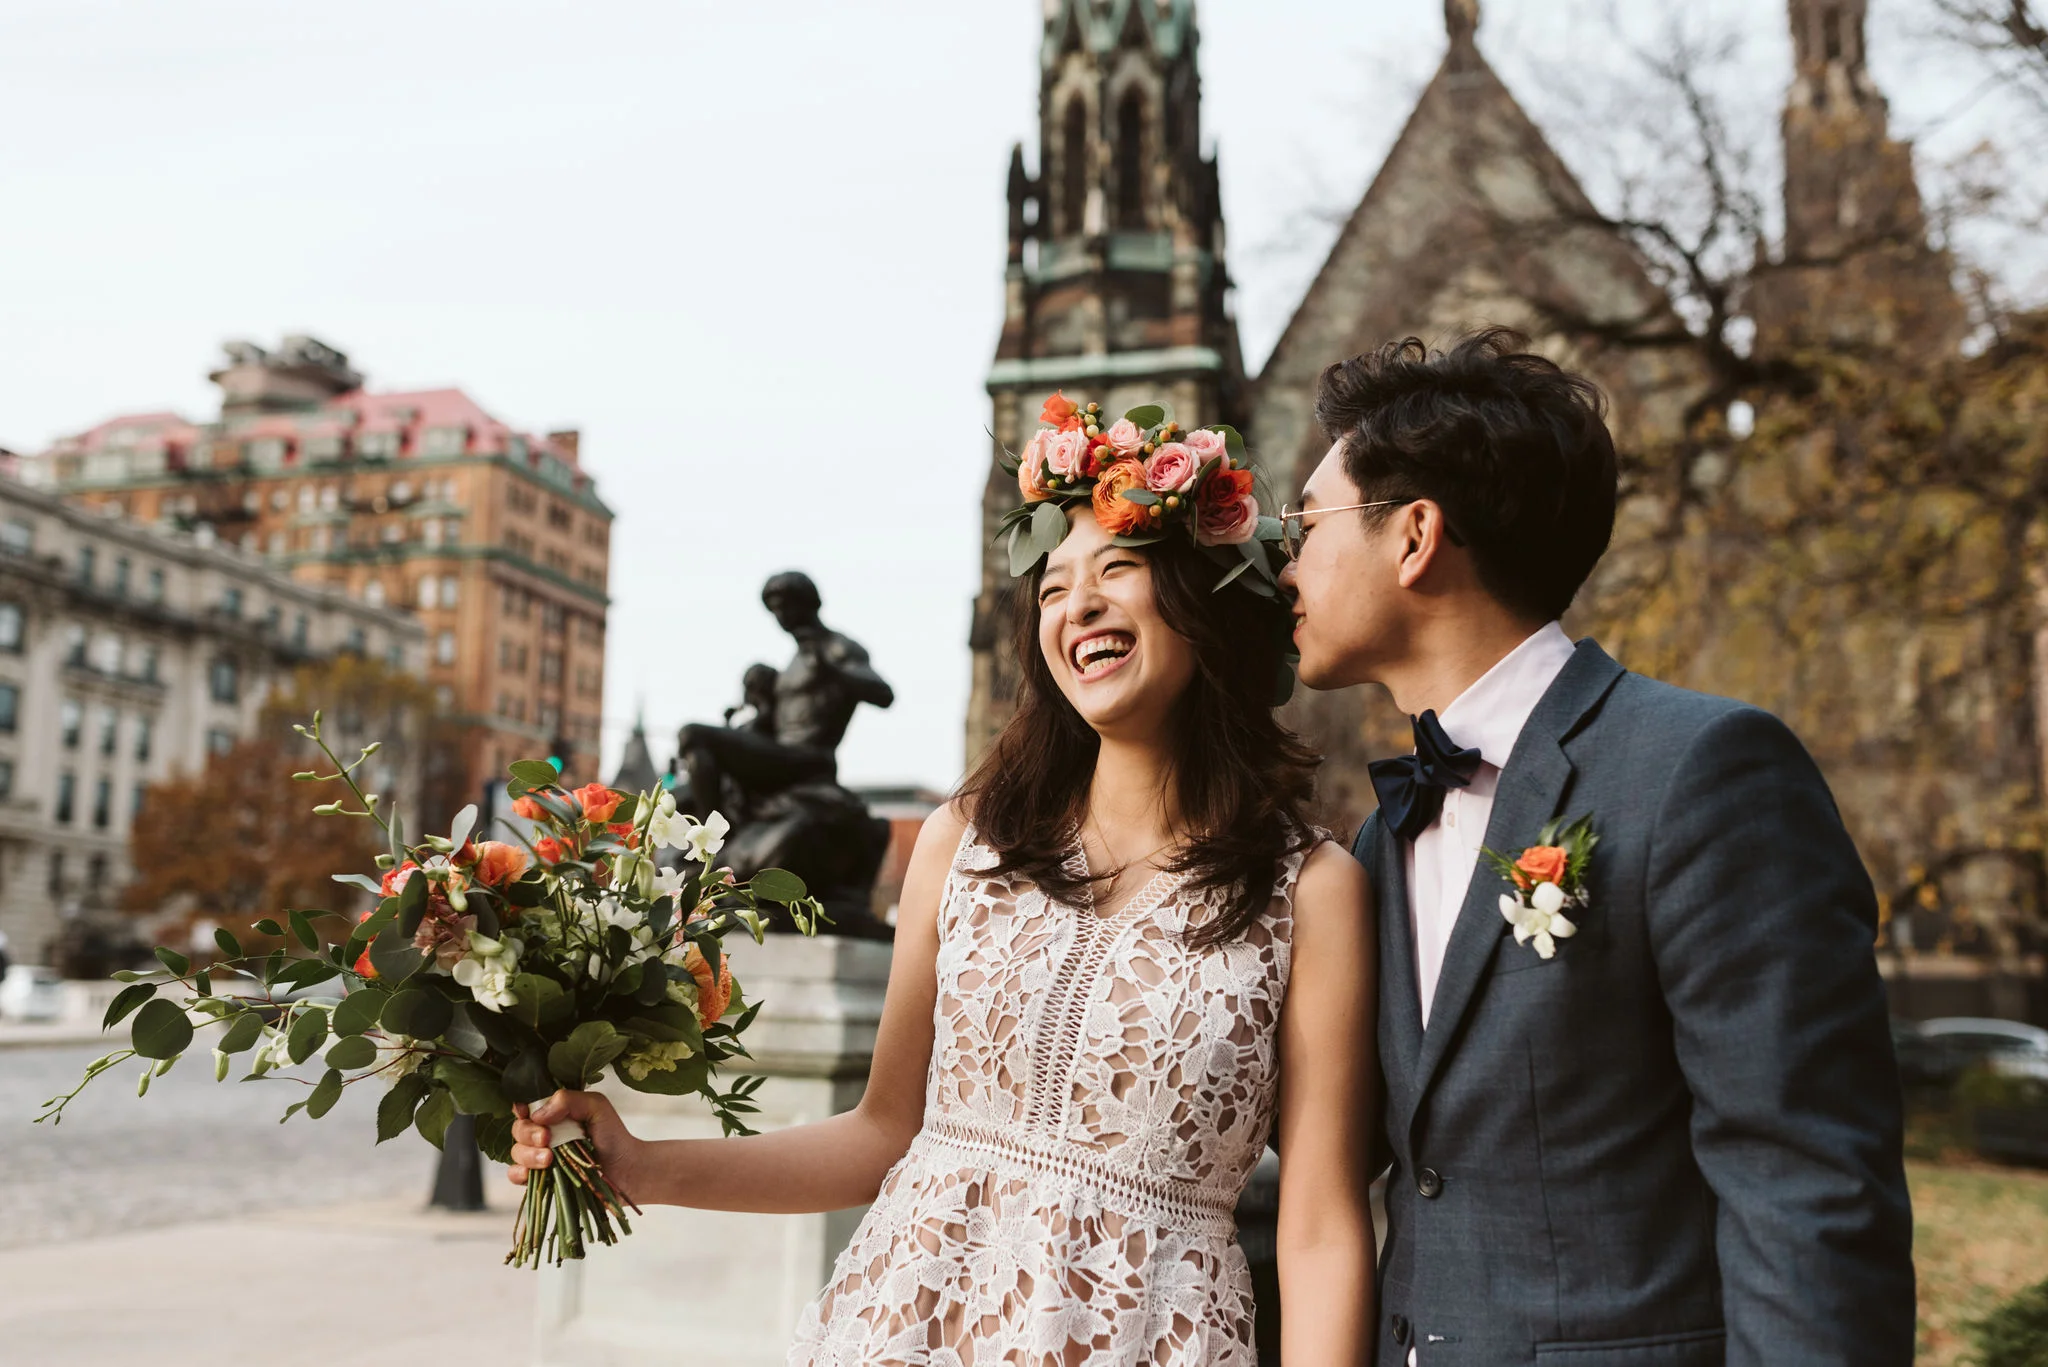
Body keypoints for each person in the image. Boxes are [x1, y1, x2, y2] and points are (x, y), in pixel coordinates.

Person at [510, 400, 1381, 1364]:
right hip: (907, 1331)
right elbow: (883, 1131)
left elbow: (1319, 1227)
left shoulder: (1312, 889)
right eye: (1052, 587)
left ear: (1203, 604)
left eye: (1117, 570)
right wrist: (638, 1164)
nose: (1078, 604)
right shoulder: (964, 842)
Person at [1279, 330, 1913, 1365]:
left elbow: (1805, 1190)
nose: (1285, 560)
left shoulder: (1701, 771)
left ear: (1413, 536)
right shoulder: (1372, 836)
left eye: (1306, 524)